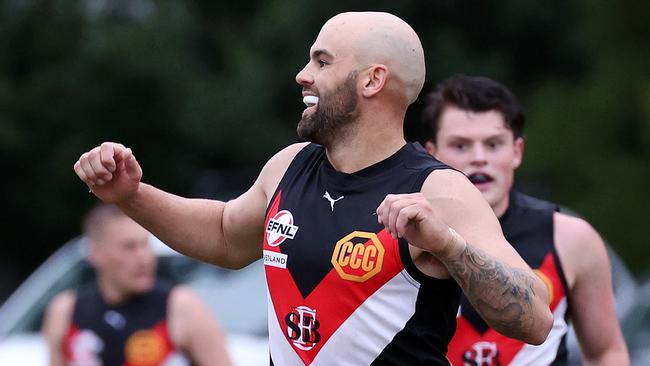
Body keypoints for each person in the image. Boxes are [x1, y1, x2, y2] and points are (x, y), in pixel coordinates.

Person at [73, 12, 553, 365]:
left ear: (372, 80)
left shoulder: (439, 189)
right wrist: (131, 195)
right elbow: (223, 235)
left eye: (321, 61)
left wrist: (447, 244)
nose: (303, 75)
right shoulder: (290, 166)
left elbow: (534, 318)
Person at [421, 74, 630, 365]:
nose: (479, 158)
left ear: (517, 151)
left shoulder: (571, 238)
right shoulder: (406, 235)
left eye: (493, 144)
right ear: (433, 154)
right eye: (461, 145)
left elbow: (606, 352)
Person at [42, 203, 232, 366]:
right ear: (95, 253)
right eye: (129, 247)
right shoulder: (65, 311)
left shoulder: (180, 305)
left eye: (145, 245)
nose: (144, 258)